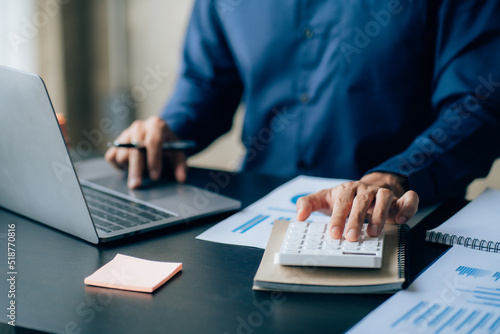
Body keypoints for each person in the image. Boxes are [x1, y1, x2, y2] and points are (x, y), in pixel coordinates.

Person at [106, 0, 500, 242]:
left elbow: (478, 102)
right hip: (254, 215)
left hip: (399, 222)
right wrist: (170, 129)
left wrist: (394, 176)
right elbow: (207, 83)